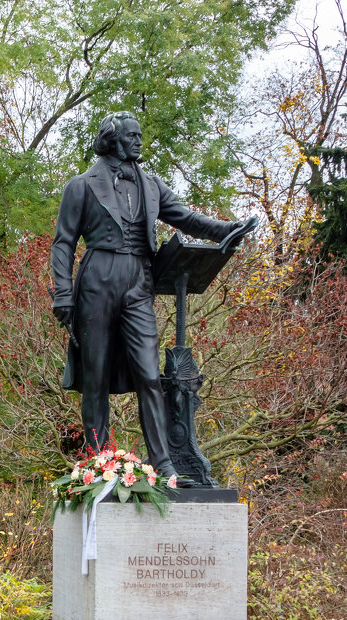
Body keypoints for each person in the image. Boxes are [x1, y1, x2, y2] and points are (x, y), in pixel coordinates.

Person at [49, 111, 250, 485]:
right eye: (133, 136)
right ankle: (98, 464)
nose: (140, 141)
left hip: (139, 281)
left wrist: (227, 229)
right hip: (97, 278)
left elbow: (187, 217)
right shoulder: (81, 185)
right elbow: (63, 242)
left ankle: (165, 466)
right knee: (95, 379)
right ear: (112, 139)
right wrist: (63, 293)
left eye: (141, 135)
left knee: (149, 375)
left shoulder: (151, 184)